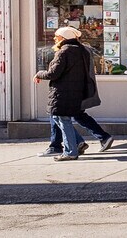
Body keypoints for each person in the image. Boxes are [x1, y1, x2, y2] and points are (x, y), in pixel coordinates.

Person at [38, 26, 95, 159]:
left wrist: (40, 74)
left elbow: (54, 73)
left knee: (62, 119)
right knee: (61, 119)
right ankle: (78, 143)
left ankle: (70, 152)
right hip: (76, 91)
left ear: (63, 38)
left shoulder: (64, 51)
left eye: (56, 36)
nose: (54, 38)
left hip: (62, 92)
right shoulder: (83, 51)